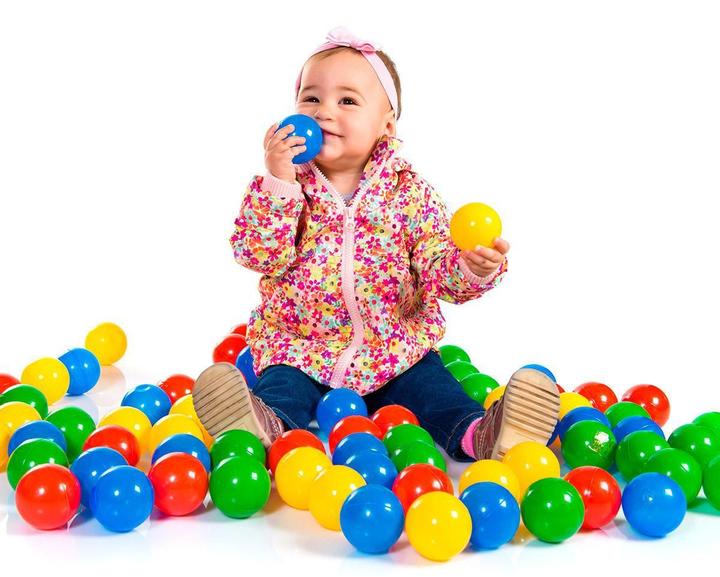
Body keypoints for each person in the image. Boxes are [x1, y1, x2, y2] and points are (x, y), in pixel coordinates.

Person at [192, 26, 559, 463]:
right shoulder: (288, 186)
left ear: (386, 123)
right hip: (301, 346)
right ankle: (261, 427)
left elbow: (438, 269)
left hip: (393, 350)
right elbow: (257, 254)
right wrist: (277, 180)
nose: (325, 110)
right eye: (311, 98)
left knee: (436, 391)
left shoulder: (409, 192)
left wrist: (471, 269)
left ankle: (482, 434)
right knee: (282, 387)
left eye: (347, 100)